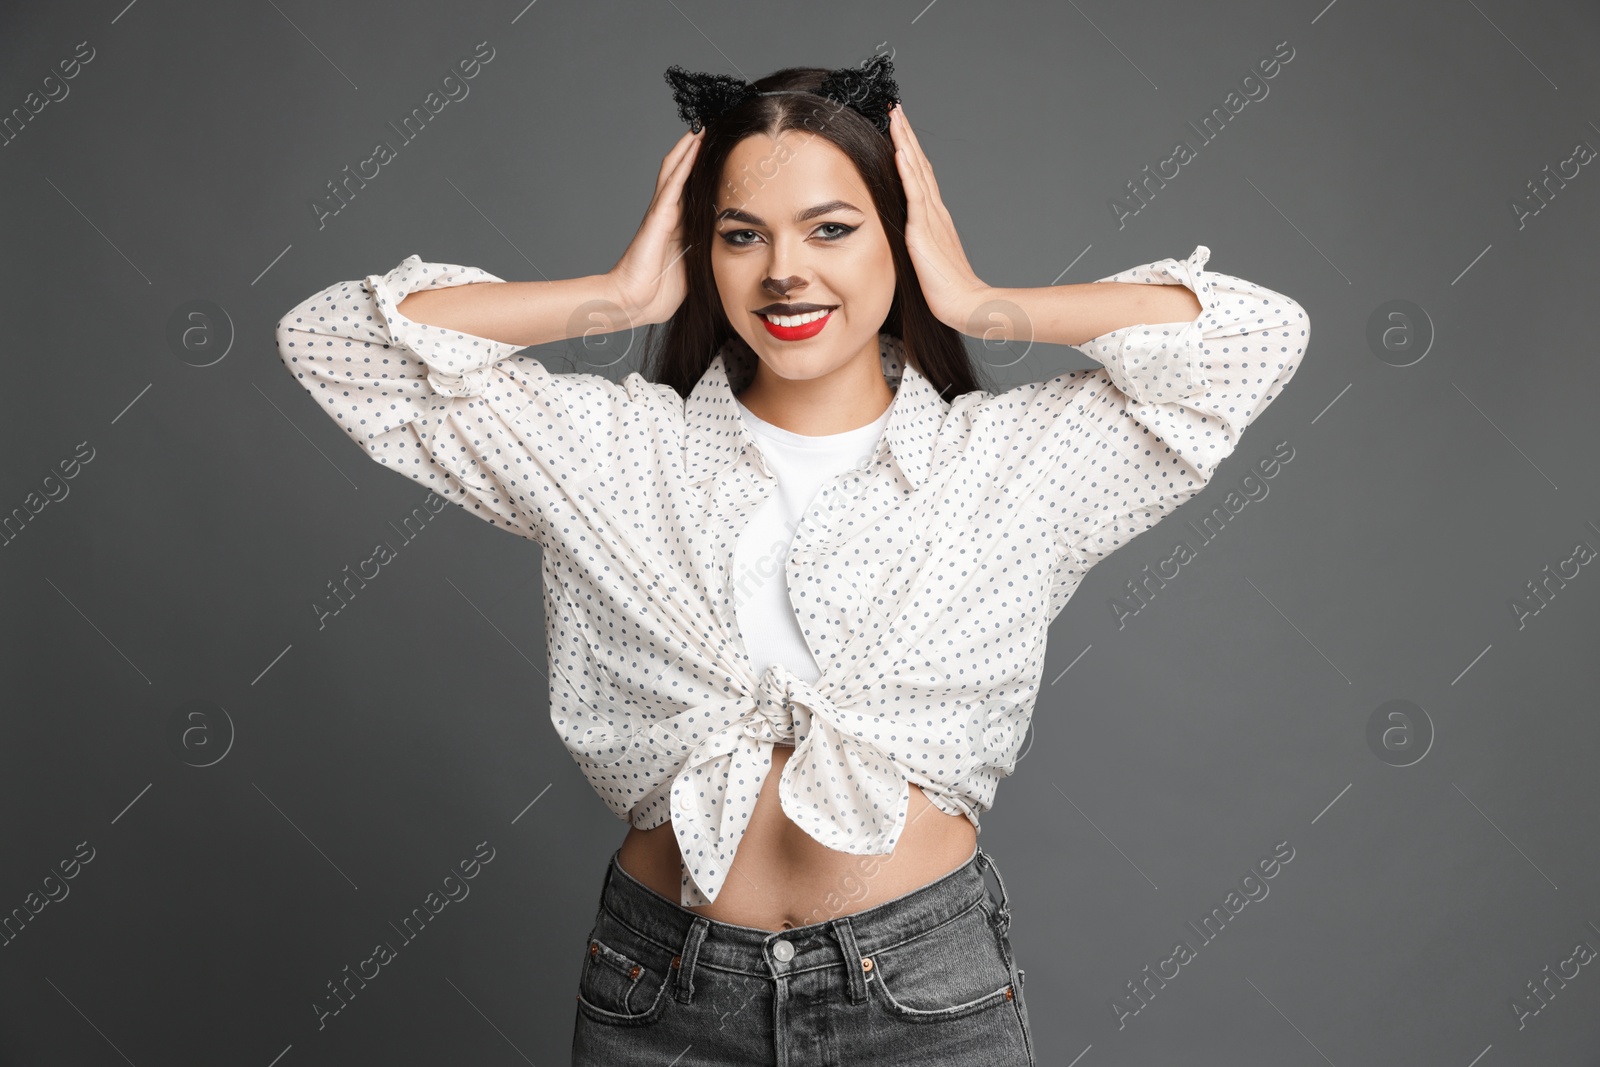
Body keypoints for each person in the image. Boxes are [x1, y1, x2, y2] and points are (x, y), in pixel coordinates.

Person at [275, 55, 1309, 1066]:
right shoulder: (612, 452)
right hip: (660, 991)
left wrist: (977, 300)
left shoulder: (1008, 463)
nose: (784, 270)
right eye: (741, 235)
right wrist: (615, 294)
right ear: (702, 253)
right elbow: (331, 341)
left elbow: (1256, 337)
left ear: (895, 238)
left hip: (923, 993)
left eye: (832, 228)